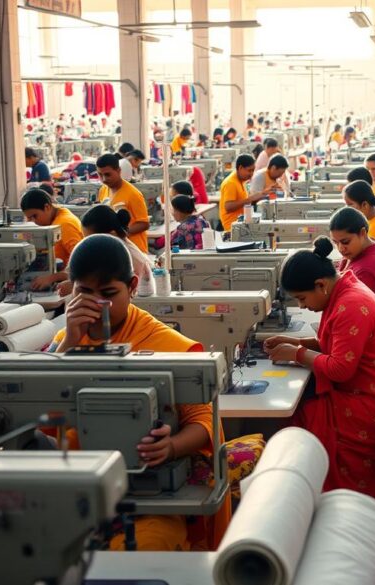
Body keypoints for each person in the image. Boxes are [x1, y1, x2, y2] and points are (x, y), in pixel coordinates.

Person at [48, 234, 230, 551]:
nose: (96, 304)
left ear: (132, 287)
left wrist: (171, 447)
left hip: (151, 499)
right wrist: (67, 349)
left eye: (108, 294)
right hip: (73, 491)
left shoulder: (168, 346)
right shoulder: (63, 341)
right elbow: (40, 420)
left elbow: (206, 423)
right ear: (69, 287)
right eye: (84, 292)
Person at [262, 241, 375, 502]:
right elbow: (339, 344)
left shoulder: (349, 305)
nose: (302, 307)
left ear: (320, 285)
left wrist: (296, 354)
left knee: (306, 420)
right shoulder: (344, 290)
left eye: (303, 299)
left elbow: (340, 368)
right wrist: (296, 342)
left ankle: (348, 499)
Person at [327, 209, 375, 340]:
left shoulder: (365, 272)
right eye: (335, 243)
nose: (341, 248)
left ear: (363, 233)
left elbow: (356, 319)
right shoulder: (370, 246)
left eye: (345, 242)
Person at [78, 206, 154, 297]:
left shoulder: (126, 258)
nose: (89, 245)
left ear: (111, 235)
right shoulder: (116, 249)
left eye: (92, 240)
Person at [20, 188, 84, 290]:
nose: (33, 222)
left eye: (35, 216)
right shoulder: (59, 216)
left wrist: (51, 278)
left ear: (47, 207)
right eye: (29, 218)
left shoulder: (64, 224)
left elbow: (83, 265)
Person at [95, 154, 150, 253]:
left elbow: (144, 224)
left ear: (118, 171)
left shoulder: (133, 194)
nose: (103, 179)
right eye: (100, 175)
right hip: (116, 248)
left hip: (134, 250)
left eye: (107, 174)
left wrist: (121, 233)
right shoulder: (103, 190)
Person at [217, 154, 259, 231]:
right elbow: (228, 207)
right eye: (249, 170)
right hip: (232, 228)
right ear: (240, 168)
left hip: (240, 224)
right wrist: (248, 200)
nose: (252, 174)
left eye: (253, 170)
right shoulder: (230, 183)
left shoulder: (242, 180)